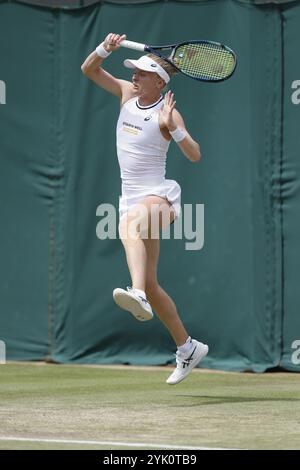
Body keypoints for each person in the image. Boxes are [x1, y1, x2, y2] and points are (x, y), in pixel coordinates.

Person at [81, 33, 208, 385]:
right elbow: (89, 69)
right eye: (133, 73)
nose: (134, 77)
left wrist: (174, 130)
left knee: (131, 224)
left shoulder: (169, 113)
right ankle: (187, 347)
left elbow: (195, 155)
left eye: (140, 73)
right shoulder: (126, 95)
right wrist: (105, 47)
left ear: (158, 81)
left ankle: (135, 293)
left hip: (160, 198)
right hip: (130, 197)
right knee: (152, 284)